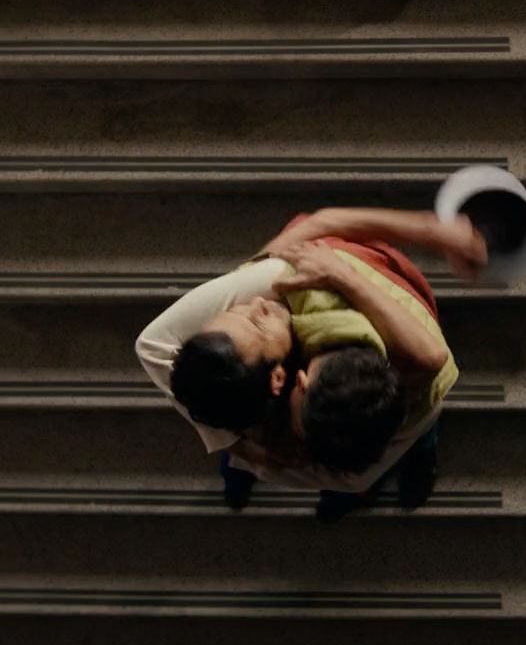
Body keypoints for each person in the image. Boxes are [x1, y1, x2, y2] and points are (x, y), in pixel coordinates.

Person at [135, 207, 486, 521]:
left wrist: (257, 456)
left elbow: (352, 475)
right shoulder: (280, 293)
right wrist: (235, 444)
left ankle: (407, 469)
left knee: (402, 445)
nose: (255, 303)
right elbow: (153, 347)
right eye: (244, 317)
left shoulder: (292, 285)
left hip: (372, 434)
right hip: (304, 437)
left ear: (293, 379)